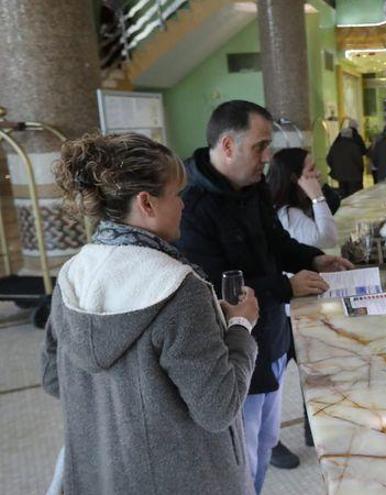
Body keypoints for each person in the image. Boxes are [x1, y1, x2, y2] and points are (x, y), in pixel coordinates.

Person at [42, 132, 259, 494]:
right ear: (146, 202)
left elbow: (53, 378)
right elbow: (218, 408)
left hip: (102, 477)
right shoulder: (178, 289)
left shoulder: (72, 277)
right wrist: (239, 325)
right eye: (176, 195)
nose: (184, 206)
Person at [175, 100, 353, 493]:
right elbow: (217, 287)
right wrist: (285, 288)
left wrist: (315, 258)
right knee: (245, 453)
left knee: (266, 441)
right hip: (235, 349)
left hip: (271, 336)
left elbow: (277, 242)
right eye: (259, 146)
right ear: (227, 145)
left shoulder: (252, 187)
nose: (267, 157)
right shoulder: (191, 206)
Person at [268, 148, 338, 249]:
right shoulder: (289, 214)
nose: (318, 173)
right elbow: (328, 239)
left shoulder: (301, 205)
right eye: (311, 169)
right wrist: (318, 198)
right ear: (294, 177)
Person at [327, 119, 366, 198]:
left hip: (340, 176)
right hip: (354, 176)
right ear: (350, 135)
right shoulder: (354, 147)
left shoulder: (335, 147)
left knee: (344, 197)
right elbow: (359, 161)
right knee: (355, 196)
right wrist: (360, 171)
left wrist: (335, 168)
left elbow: (328, 159)